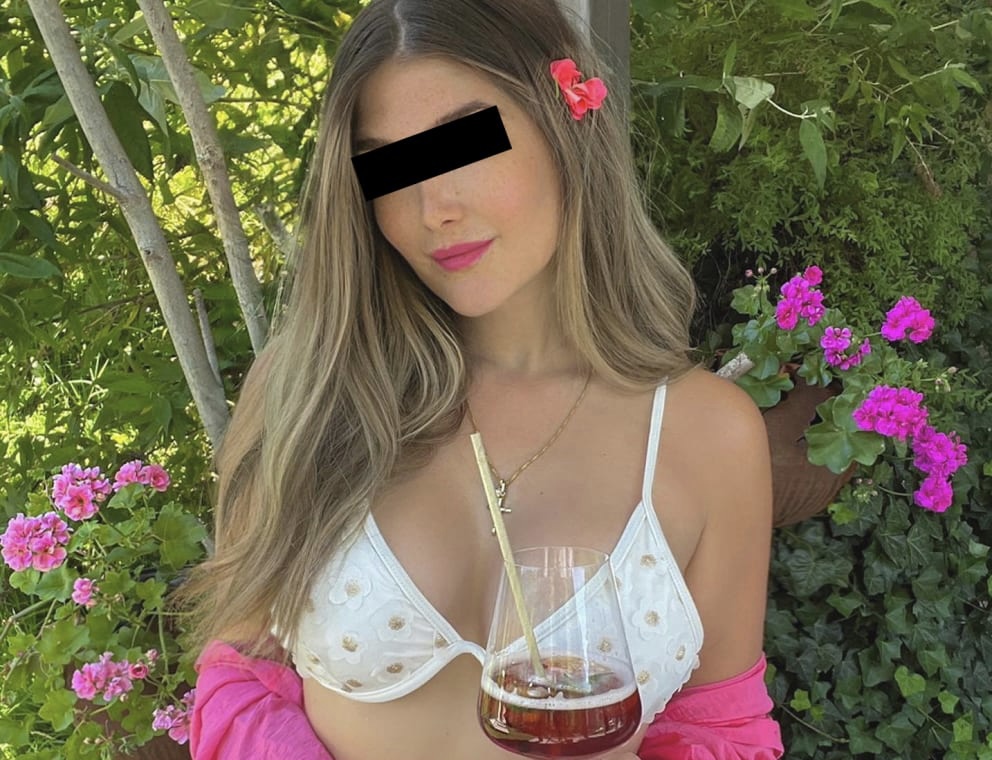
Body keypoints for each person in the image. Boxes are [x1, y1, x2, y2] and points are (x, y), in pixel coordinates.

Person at [177, 0, 785, 757]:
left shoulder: (710, 434)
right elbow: (242, 674)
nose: (434, 208)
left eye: (465, 145)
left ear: (567, 125)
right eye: (390, 167)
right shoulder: (306, 392)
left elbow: (719, 727)